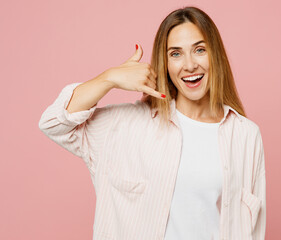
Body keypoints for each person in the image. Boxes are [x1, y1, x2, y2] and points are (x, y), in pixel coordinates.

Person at [39, 6, 266, 240]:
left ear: (215, 55)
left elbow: (252, 231)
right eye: (175, 54)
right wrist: (109, 79)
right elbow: (53, 123)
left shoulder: (245, 136)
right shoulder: (126, 125)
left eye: (199, 50)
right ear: (165, 64)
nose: (189, 65)